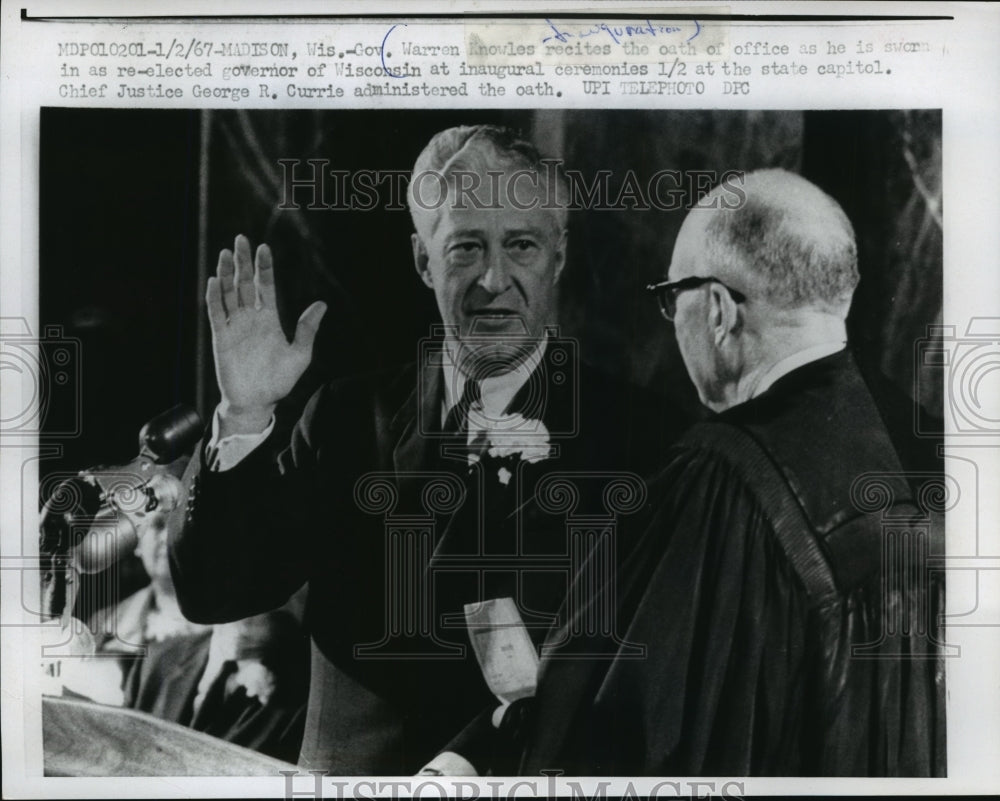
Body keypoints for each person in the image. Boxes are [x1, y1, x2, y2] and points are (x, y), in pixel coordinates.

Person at [169, 125, 685, 774]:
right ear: (422, 260)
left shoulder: (643, 440)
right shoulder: (345, 419)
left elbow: (634, 686)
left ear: (558, 256)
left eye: (520, 244)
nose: (494, 278)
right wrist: (245, 413)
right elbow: (213, 592)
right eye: (466, 247)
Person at [516, 169, 946, 776]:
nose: (675, 322)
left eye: (672, 298)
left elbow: (623, 738)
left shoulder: (720, 477)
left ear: (719, 309)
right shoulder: (946, 453)